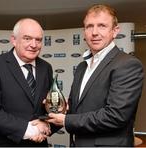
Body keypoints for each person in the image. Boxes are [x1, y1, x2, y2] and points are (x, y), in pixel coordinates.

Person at [47, 4, 144, 147]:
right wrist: (52, 112)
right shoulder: (82, 67)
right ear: (84, 31)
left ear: (115, 31)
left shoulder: (128, 64)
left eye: (102, 26)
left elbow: (115, 116)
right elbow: (76, 110)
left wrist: (66, 120)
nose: (94, 32)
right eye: (89, 26)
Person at [0, 18, 54, 147]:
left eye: (38, 40)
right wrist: (30, 130)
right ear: (14, 40)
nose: (34, 44)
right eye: (27, 38)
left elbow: (51, 107)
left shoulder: (46, 68)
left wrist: (47, 124)